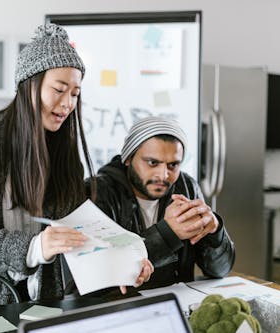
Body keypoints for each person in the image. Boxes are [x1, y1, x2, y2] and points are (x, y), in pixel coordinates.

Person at [0, 23, 152, 306]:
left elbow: (78, 229)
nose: (68, 104)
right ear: (29, 85)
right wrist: (33, 248)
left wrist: (118, 266)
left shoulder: (63, 151)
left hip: (41, 299)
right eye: (59, 89)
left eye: (75, 94)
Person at [91, 116, 235, 289]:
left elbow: (220, 271)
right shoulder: (98, 192)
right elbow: (98, 274)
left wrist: (215, 232)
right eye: (152, 163)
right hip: (120, 309)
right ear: (128, 158)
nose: (163, 175)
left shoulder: (186, 187)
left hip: (176, 305)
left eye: (173, 165)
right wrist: (168, 233)